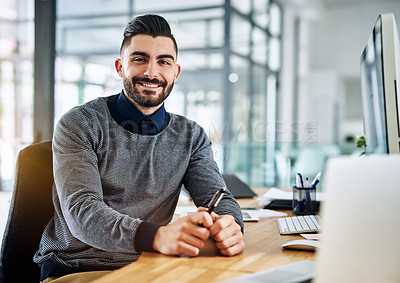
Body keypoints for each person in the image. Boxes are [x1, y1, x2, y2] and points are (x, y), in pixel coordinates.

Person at [34, 14, 244, 282]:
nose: (151, 73)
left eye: (163, 62)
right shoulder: (79, 123)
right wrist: (158, 236)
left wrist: (231, 225)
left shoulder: (191, 135)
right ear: (120, 66)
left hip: (151, 265)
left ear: (175, 72)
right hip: (79, 267)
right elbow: (82, 213)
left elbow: (218, 197)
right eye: (139, 59)